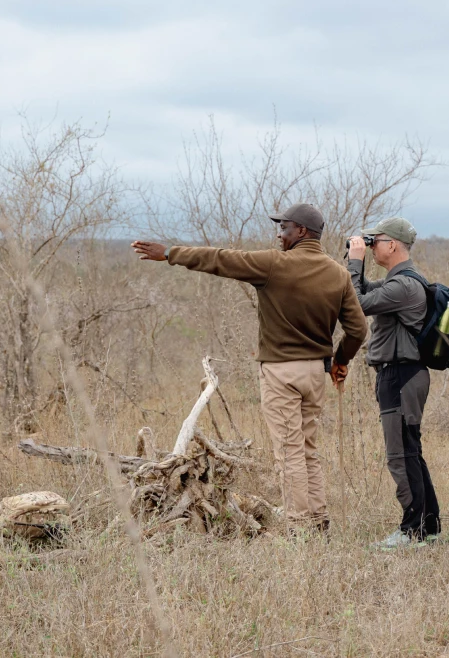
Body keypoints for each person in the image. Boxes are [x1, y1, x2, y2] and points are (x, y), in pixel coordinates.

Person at [130, 204, 367, 535]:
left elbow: (220, 260)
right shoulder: (339, 274)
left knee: (289, 454)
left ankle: (300, 529)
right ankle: (319, 521)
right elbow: (358, 330)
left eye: (283, 227)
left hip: (281, 372)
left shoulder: (274, 264)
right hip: (316, 373)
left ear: (300, 231)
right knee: (309, 449)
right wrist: (341, 360)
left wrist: (169, 252)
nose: (278, 234)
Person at [346, 217, 440, 549]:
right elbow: (361, 291)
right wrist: (351, 267)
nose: (370, 246)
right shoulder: (397, 282)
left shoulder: (404, 285)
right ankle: (428, 527)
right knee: (410, 451)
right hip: (401, 374)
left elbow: (355, 302)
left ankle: (412, 530)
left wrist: (354, 262)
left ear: (393, 245)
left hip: (402, 375)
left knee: (400, 454)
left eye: (375, 240)